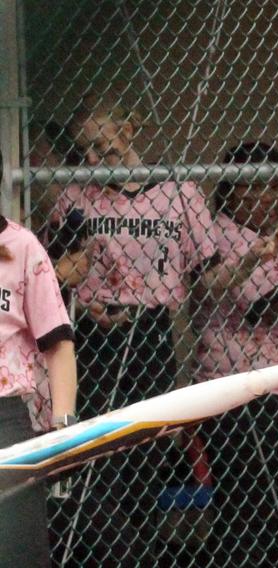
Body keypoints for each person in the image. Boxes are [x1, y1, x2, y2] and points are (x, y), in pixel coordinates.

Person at [49, 94, 278, 566]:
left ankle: (139, 549)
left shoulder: (179, 193)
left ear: (130, 130)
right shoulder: (76, 194)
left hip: (151, 332)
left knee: (142, 464)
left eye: (101, 146)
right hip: (93, 338)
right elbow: (49, 271)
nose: (92, 160)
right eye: (83, 150)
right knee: (96, 473)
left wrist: (249, 263)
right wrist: (80, 295)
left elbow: (208, 278)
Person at [194, 141, 278, 567]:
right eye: (264, 188)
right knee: (251, 507)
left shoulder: (268, 239)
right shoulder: (225, 235)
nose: (277, 198)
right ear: (233, 190)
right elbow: (268, 309)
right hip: (245, 393)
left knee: (274, 508)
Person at [0, 152, 78, 568]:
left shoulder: (22, 246)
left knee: (18, 554)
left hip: (5, 420)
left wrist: (63, 429)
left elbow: (58, 344)